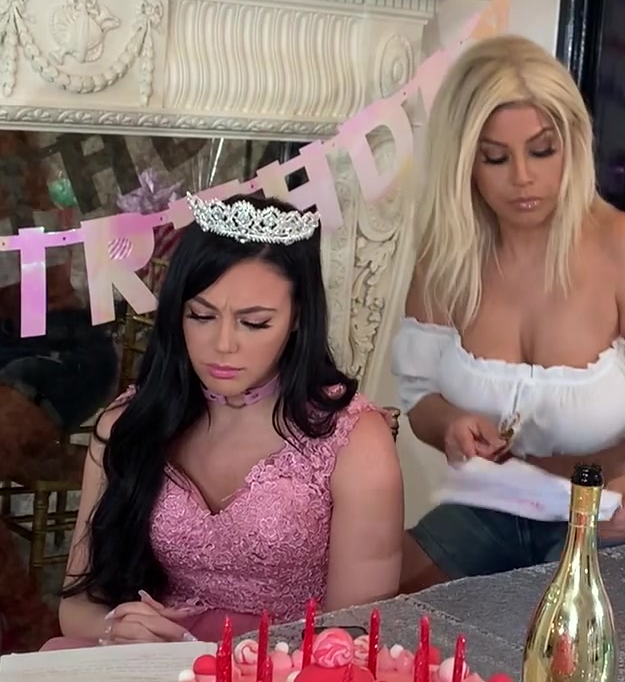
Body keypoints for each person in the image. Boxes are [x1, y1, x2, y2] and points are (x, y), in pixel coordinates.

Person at [392, 35, 625, 589]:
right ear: (464, 162)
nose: (522, 176)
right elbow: (421, 402)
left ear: (572, 145)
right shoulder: (447, 258)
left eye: (542, 151)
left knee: (573, 635)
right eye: (496, 157)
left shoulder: (620, 243)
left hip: (609, 508)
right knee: (377, 598)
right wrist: (450, 425)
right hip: (494, 505)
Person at [58, 192, 403, 645]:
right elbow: (76, 607)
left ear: (298, 317)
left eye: (254, 323)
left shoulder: (355, 440)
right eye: (201, 316)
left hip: (288, 673)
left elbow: (352, 635)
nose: (223, 345)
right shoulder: (129, 423)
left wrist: (223, 671)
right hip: (150, 665)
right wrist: (116, 630)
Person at [0, 131, 118, 673]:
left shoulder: (40, 204)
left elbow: (20, 291)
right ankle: (59, 459)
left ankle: (30, 625)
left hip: (57, 344)